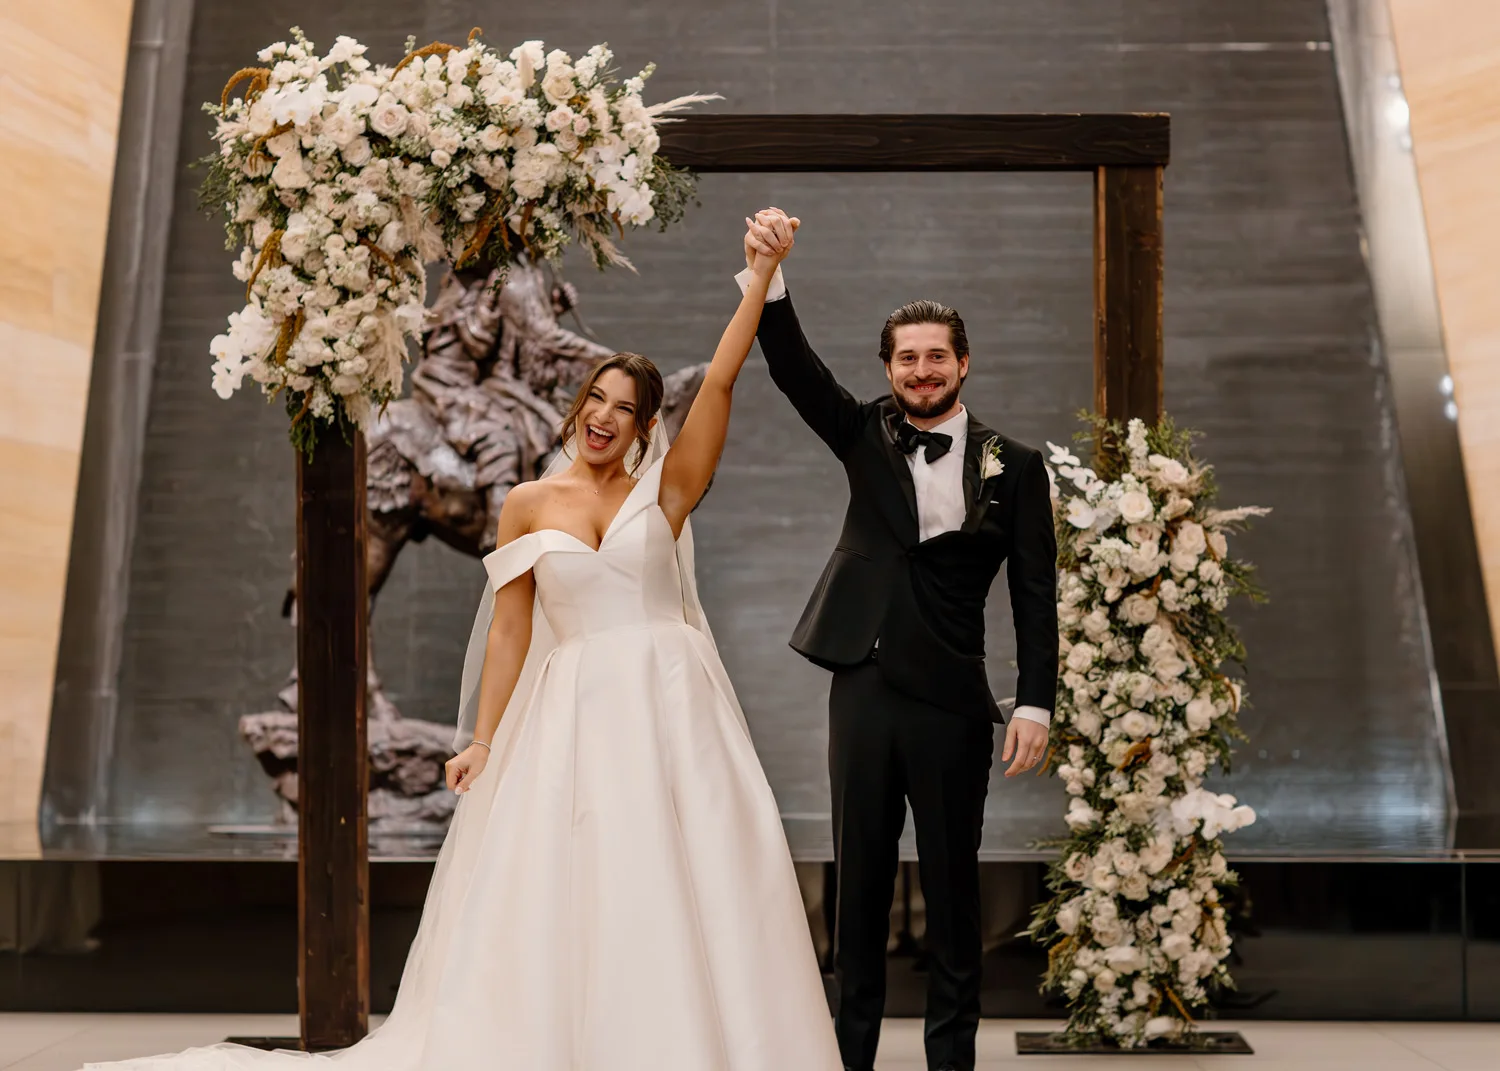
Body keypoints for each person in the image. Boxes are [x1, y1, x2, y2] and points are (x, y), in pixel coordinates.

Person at [82, 227, 841, 1071]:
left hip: (672, 699)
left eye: (627, 407)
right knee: (571, 878)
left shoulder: (667, 490)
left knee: (688, 866)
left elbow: (725, 376)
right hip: (575, 709)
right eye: (599, 397)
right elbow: (513, 625)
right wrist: (482, 738)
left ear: (644, 425)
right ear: (579, 401)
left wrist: (762, 275)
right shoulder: (525, 502)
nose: (605, 415)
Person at [740, 209, 1058, 1071]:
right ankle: (849, 1057)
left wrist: (1035, 700)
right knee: (860, 887)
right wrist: (771, 274)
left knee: (954, 891)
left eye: (936, 356)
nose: (921, 370)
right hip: (866, 684)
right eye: (906, 358)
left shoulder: (1017, 466)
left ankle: (951, 1059)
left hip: (954, 699)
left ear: (964, 364)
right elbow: (794, 371)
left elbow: (1036, 595)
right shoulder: (865, 435)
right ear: (889, 370)